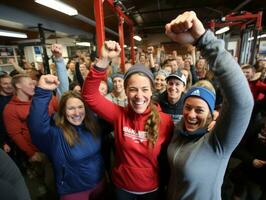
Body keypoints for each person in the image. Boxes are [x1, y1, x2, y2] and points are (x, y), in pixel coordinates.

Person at [164, 11, 254, 200]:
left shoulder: (218, 142)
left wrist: (202, 39)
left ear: (212, 114)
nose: (191, 114)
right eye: (188, 107)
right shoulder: (179, 132)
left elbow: (242, 102)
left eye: (199, 110)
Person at [82, 41, 173, 200]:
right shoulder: (119, 115)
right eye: (133, 89)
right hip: (122, 188)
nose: (139, 96)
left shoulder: (165, 121)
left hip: (152, 189)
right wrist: (104, 59)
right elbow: (89, 95)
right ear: (125, 91)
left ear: (152, 91)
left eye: (144, 89)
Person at [28, 74, 106, 200]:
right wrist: (42, 92)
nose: (77, 113)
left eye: (80, 107)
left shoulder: (92, 126)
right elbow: (36, 126)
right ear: (63, 111)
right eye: (71, 108)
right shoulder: (55, 134)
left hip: (99, 183)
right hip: (74, 191)